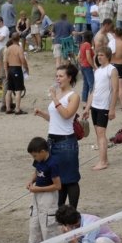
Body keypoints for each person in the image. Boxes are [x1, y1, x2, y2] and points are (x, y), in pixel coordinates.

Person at [34, 64, 81, 209]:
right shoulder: (59, 95)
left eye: (61, 76)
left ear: (69, 78)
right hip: (52, 141)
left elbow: (67, 115)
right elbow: (56, 119)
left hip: (66, 142)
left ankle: (72, 210)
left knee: (70, 179)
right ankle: (60, 209)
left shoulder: (73, 96)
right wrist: (42, 114)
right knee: (57, 177)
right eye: (57, 76)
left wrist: (54, 98)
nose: (58, 79)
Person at [21, 137, 62, 243]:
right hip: (37, 196)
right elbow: (36, 172)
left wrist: (38, 189)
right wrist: (31, 181)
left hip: (48, 198)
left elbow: (57, 185)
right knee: (35, 224)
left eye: (35, 156)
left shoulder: (53, 163)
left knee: (48, 226)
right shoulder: (38, 161)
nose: (35, 158)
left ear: (43, 151)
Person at [83, 47, 118, 171]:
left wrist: (112, 109)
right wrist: (87, 107)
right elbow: (94, 91)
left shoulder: (112, 70)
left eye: (101, 55)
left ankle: (102, 162)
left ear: (107, 56)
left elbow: (115, 90)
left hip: (104, 107)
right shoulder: (97, 71)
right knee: (98, 134)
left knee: (101, 134)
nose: (99, 57)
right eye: (98, 55)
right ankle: (104, 159)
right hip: (95, 106)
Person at [4, 33, 29, 115]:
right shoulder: (19, 48)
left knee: (9, 90)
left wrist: (6, 72)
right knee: (18, 90)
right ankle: (17, 109)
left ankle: (8, 108)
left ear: (11, 39)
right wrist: (26, 68)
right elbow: (22, 59)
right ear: (19, 39)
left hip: (10, 68)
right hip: (17, 69)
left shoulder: (8, 49)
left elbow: (5, 62)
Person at [79, 30, 96, 107]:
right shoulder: (88, 45)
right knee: (92, 84)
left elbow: (79, 57)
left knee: (85, 84)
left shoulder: (82, 44)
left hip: (83, 66)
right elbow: (89, 57)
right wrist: (94, 67)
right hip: (87, 66)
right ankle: (92, 102)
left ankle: (84, 102)